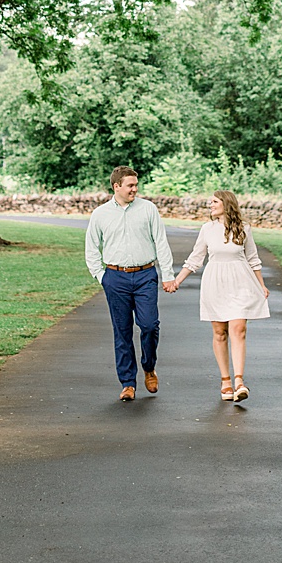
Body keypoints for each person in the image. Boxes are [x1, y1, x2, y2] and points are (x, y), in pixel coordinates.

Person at [166, 189, 270, 402]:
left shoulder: (244, 228)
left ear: (226, 203)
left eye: (214, 202)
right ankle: (226, 381)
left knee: (238, 329)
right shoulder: (207, 229)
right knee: (220, 332)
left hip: (241, 281)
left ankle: (240, 381)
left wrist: (262, 285)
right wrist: (177, 280)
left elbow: (253, 258)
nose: (210, 205)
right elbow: (195, 259)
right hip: (215, 283)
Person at [84, 165, 175, 401]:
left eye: (136, 185)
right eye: (130, 185)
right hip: (115, 278)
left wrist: (168, 274)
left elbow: (161, 242)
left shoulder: (148, 209)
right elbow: (91, 247)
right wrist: (101, 276)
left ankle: (148, 366)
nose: (135, 189)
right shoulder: (100, 214)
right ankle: (127, 383)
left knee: (149, 325)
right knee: (122, 331)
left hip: (145, 275)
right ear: (117, 186)